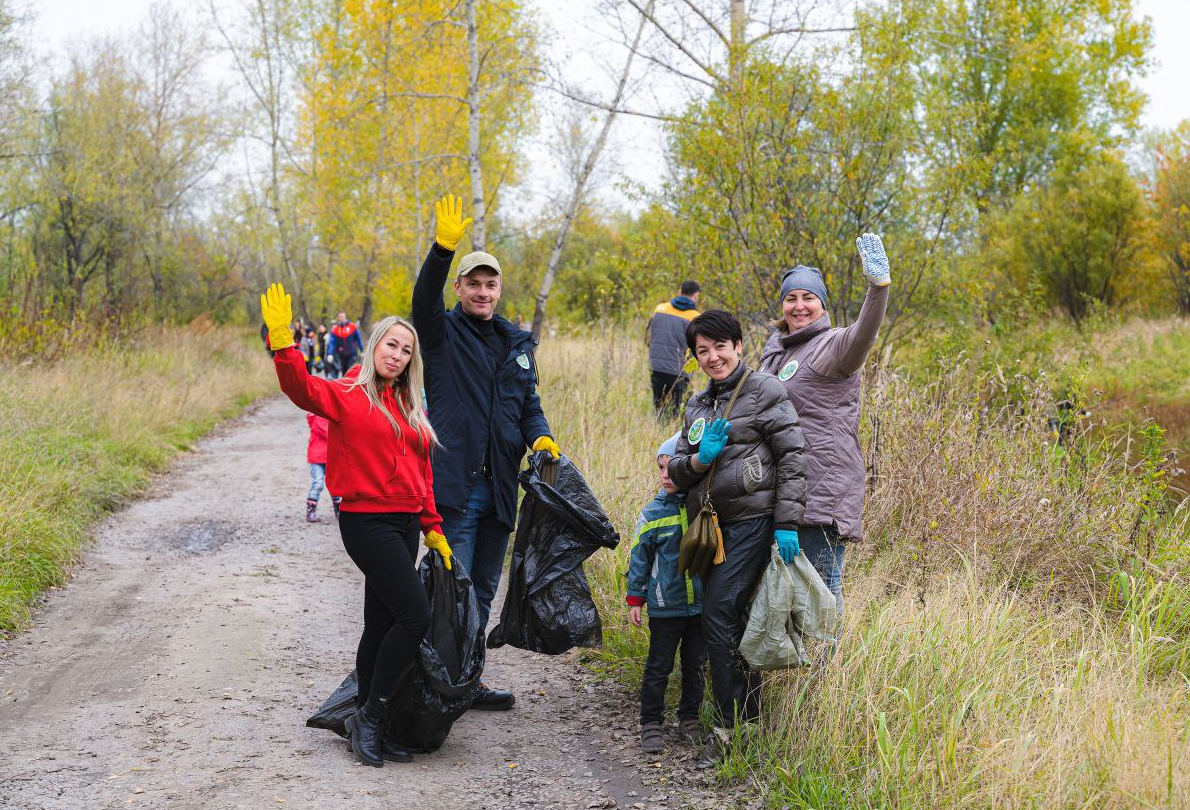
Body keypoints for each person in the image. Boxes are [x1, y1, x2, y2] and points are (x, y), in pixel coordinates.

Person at [261, 282, 454, 768]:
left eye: (407, 349)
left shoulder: (411, 406)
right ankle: (370, 716)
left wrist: (432, 526)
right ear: (375, 347)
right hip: (366, 521)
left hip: (406, 522)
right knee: (415, 616)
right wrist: (284, 343)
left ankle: (369, 722)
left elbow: (421, 471)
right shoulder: (349, 393)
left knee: (381, 622)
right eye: (392, 344)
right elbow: (299, 388)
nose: (399, 354)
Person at [411, 195, 560, 712]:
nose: (481, 291)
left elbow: (529, 408)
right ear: (460, 288)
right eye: (472, 283)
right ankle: (438, 684)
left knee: (479, 595)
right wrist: (442, 249)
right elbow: (423, 300)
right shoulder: (441, 335)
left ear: (499, 290)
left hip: (498, 491)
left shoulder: (516, 345)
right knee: (452, 592)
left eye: (489, 283)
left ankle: (466, 682)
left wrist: (541, 436)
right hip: (453, 490)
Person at [667, 309, 805, 767]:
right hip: (709, 532)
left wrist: (786, 522)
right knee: (731, 621)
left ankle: (727, 729)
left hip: (753, 522)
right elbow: (678, 470)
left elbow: (793, 459)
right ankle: (747, 720)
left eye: (719, 347)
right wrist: (701, 461)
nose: (712, 358)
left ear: (739, 346)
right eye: (702, 351)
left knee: (719, 613)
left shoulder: (766, 391)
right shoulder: (697, 405)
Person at [758, 234, 890, 618]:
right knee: (784, 592)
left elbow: (865, 333)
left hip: (820, 490)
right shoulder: (777, 349)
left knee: (820, 591)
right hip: (780, 489)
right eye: (791, 298)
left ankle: (824, 676)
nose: (799, 306)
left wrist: (878, 288)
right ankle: (791, 674)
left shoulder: (833, 345)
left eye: (808, 298)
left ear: (822, 304)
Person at [626, 432, 706, 754]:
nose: (665, 475)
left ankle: (689, 718)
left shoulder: (701, 505)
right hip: (664, 605)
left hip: (699, 606)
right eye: (660, 468)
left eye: (672, 467)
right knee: (659, 665)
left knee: (695, 664)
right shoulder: (653, 513)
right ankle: (650, 723)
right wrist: (636, 598)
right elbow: (639, 558)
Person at [646, 281, 701, 417]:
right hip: (681, 371)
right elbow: (697, 347)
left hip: (657, 367)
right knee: (680, 413)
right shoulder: (695, 317)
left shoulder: (659, 309)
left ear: (679, 291)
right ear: (696, 296)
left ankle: (659, 434)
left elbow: (648, 338)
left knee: (659, 409)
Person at [305, 413, 340, 522]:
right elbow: (327, 432)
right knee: (318, 483)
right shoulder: (317, 417)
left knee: (335, 484)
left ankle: (339, 510)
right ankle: (311, 510)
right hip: (317, 457)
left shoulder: (330, 416)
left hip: (330, 457)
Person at [327, 312, 364, 378]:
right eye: (340, 317)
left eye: (343, 316)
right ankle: (345, 386)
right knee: (344, 371)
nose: (341, 318)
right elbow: (332, 342)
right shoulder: (336, 329)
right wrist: (330, 354)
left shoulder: (352, 326)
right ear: (338, 318)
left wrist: (362, 350)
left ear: (345, 317)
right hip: (342, 354)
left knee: (351, 370)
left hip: (352, 353)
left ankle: (352, 385)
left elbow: (358, 339)